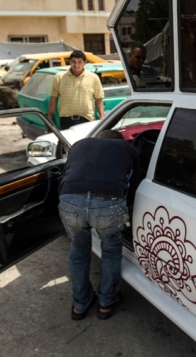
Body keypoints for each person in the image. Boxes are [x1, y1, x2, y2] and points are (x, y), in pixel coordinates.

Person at [58, 129, 140, 320]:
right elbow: (133, 185)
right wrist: (126, 212)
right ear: (119, 140)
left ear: (99, 138)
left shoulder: (79, 144)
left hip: (70, 202)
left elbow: (65, 177)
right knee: (110, 250)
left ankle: (80, 305)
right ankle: (106, 303)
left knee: (78, 250)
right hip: (108, 203)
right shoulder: (128, 149)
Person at [47, 50, 105, 130]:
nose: (76, 65)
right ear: (69, 62)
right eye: (73, 62)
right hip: (65, 119)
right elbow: (53, 98)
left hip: (87, 119)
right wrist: (49, 117)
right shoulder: (59, 77)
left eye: (79, 62)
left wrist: (102, 116)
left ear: (85, 62)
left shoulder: (93, 78)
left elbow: (98, 98)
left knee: (85, 142)